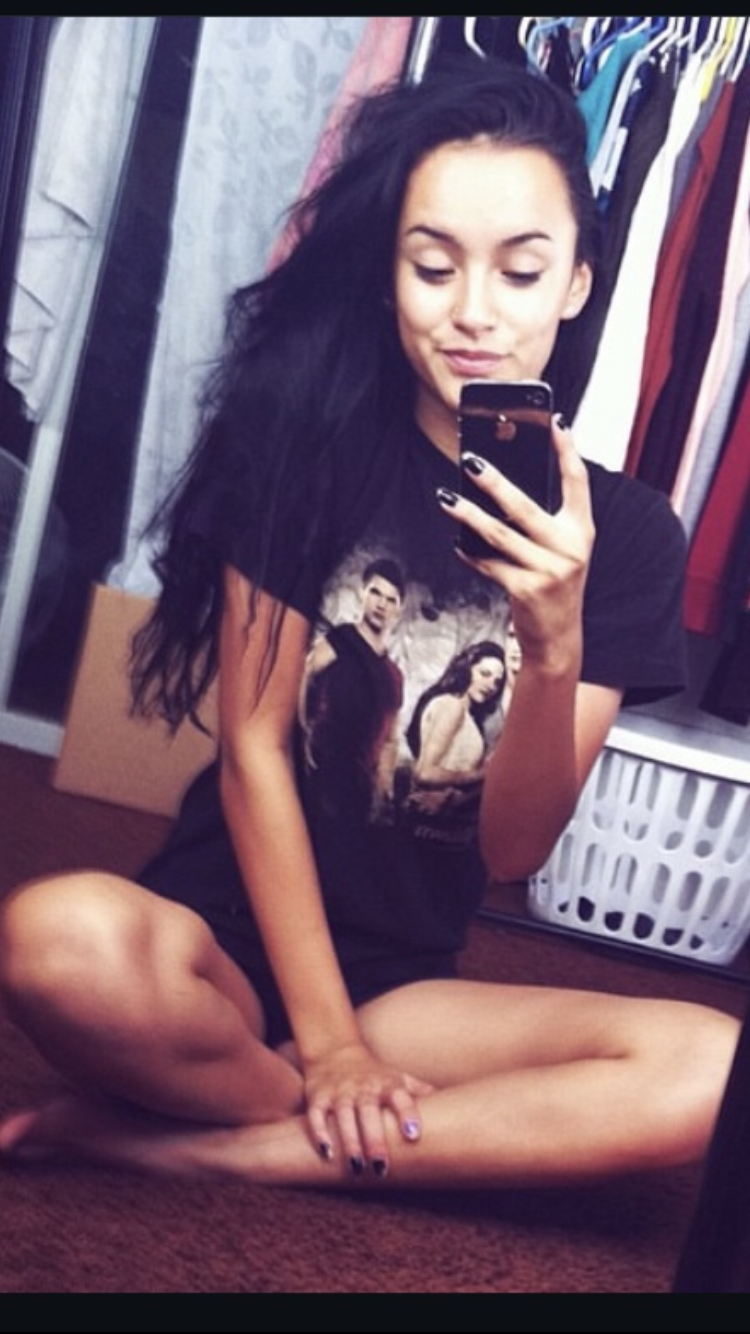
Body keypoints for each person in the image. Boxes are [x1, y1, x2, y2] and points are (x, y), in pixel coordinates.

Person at [0, 58, 739, 1188]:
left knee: (713, 1070)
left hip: (407, 988)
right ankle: (337, 1118)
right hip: (223, 936)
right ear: (390, 275)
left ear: (580, 283)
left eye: (521, 270)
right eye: (432, 266)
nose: (474, 312)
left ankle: (206, 1142)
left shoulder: (629, 535)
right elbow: (252, 750)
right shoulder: (305, 448)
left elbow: (515, 852)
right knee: (55, 939)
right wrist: (329, 1047)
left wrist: (552, 643)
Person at [300, 557, 405, 823]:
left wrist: (382, 790)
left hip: (359, 787)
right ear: (362, 593)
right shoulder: (340, 640)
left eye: (391, 600)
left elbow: (391, 738)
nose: (381, 604)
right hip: (321, 771)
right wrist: (301, 735)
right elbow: (303, 677)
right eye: (375, 593)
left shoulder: (393, 675)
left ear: (399, 609)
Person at [401, 642, 505, 836]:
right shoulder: (452, 705)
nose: (491, 685)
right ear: (467, 668)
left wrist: (452, 795)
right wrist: (477, 775)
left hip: (443, 821)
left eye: (497, 681)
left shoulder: (467, 714)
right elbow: (425, 773)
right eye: (484, 674)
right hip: (426, 824)